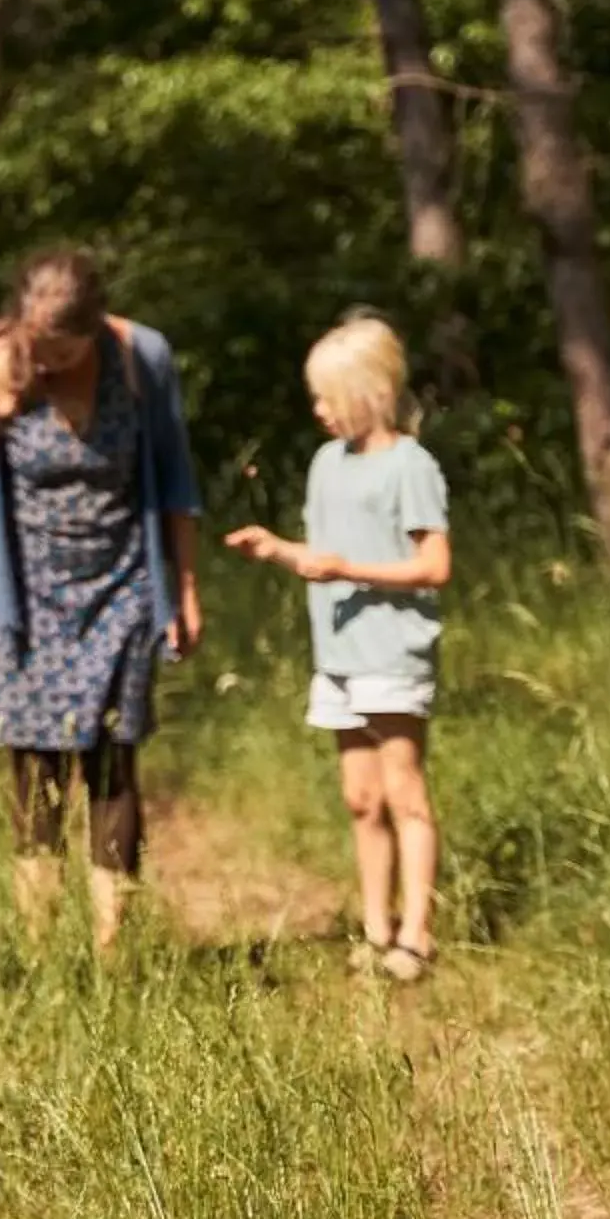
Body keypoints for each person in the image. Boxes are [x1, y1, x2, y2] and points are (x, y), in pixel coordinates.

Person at [0, 249, 203, 955]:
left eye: (60, 347)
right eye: (36, 342)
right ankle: (40, 952)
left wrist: (183, 590)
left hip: (124, 587)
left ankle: (112, 954)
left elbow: (177, 483)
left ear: (94, 329)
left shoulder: (142, 359)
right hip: (26, 596)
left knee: (114, 765)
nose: (45, 360)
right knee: (34, 772)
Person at [224, 313, 452, 982]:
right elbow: (325, 556)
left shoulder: (411, 466)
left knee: (404, 791)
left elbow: (434, 566)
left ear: (369, 394)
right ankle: (376, 929)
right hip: (339, 658)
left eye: (328, 397)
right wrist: (277, 550)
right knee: (360, 797)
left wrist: (352, 570)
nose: (318, 411)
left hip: (393, 654)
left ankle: (417, 934)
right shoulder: (327, 464)